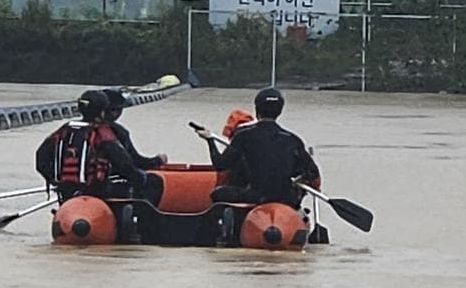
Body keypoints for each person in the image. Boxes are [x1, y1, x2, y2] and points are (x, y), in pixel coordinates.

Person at [194, 88, 320, 206]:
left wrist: (209, 140)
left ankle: (226, 226)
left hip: (256, 196)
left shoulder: (243, 136)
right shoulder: (293, 139)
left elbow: (220, 165)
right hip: (285, 197)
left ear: (257, 109)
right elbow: (312, 173)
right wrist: (300, 180)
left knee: (217, 193)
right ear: (280, 111)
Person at [35, 90, 163, 206]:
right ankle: (141, 226)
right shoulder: (103, 133)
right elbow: (126, 166)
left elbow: (41, 158)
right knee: (154, 182)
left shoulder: (64, 130)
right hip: (97, 191)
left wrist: (54, 181)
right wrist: (141, 178)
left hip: (66, 192)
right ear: (102, 111)